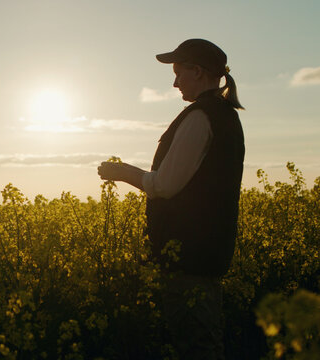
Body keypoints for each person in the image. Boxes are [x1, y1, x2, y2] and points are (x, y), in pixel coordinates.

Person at [97, 38, 245, 359]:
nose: (175, 81)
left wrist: (120, 171)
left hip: (190, 256)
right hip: (205, 253)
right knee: (202, 342)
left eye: (179, 72)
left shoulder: (201, 117)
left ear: (198, 71)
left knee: (196, 346)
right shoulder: (223, 115)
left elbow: (163, 185)